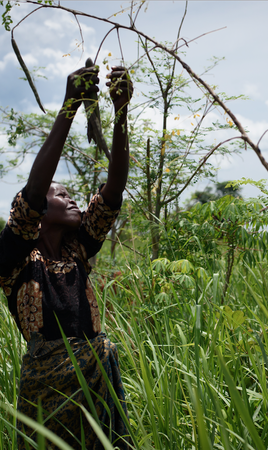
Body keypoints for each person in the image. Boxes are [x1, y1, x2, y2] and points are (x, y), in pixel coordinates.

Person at [0, 63, 133, 449]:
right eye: (62, 195)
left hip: (96, 379)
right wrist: (69, 106)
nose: (72, 198)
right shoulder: (13, 260)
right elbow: (34, 192)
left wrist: (120, 112)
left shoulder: (78, 250)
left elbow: (114, 190)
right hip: (47, 384)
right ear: (39, 212)